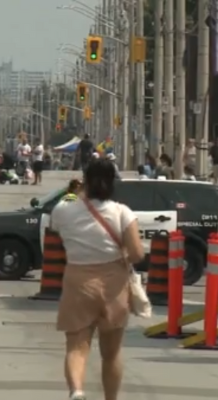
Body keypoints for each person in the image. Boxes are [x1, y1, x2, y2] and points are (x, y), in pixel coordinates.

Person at [51, 159, 144, 400]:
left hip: (78, 282)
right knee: (111, 353)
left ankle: (77, 391)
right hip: (114, 285)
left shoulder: (64, 208)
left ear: (86, 181)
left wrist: (75, 191)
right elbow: (137, 254)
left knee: (76, 347)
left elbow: (62, 208)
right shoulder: (122, 212)